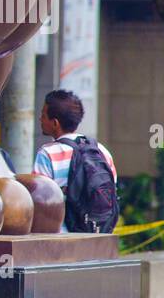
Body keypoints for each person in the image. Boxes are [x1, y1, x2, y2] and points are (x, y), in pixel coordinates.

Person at [33, 89, 118, 233]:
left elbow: (39, 202)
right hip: (97, 238)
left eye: (43, 115)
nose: (40, 119)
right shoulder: (101, 151)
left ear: (55, 123)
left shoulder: (47, 154)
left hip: (61, 239)